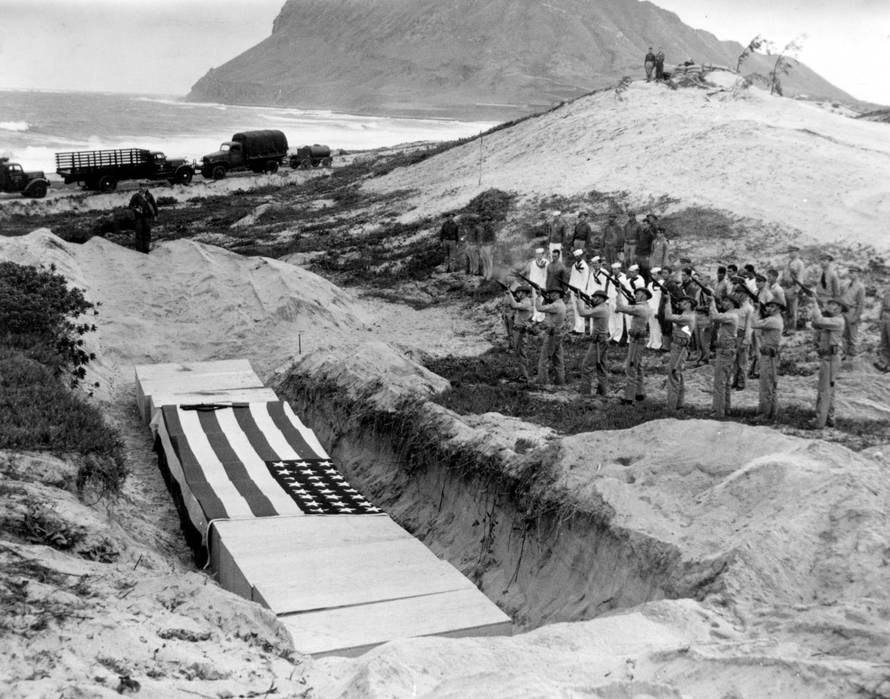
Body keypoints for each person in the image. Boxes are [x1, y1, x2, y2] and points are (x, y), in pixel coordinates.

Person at [807, 296, 846, 428]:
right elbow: (815, 323)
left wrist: (814, 303)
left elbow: (818, 320)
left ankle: (819, 421)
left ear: (839, 308)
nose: (829, 306)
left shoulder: (837, 321)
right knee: (830, 389)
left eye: (832, 304)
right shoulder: (833, 320)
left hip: (830, 359)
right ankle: (830, 417)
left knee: (824, 389)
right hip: (830, 358)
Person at [615, 287, 655, 403]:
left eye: (638, 294)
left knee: (631, 367)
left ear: (644, 296)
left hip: (636, 340)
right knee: (638, 366)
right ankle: (639, 392)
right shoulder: (645, 307)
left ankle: (629, 397)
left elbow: (620, 308)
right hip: (639, 339)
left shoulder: (640, 308)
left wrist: (619, 294)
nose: (636, 296)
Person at [750, 300, 785, 423]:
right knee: (771, 385)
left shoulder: (772, 320)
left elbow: (753, 324)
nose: (769, 308)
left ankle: (764, 414)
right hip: (771, 354)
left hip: (768, 355)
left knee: (766, 385)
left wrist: (757, 310)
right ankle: (772, 412)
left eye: (772, 306)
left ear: (779, 308)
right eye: (768, 306)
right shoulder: (776, 319)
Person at [709, 294, 740, 417]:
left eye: (726, 301)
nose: (724, 303)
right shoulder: (732, 315)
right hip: (727, 348)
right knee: (725, 382)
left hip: (724, 349)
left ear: (732, 303)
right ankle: (725, 409)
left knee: (719, 382)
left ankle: (718, 411)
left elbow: (714, 317)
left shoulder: (731, 315)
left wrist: (712, 303)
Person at [663, 294, 696, 412]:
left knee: (673, 375)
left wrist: (668, 302)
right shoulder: (687, 315)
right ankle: (679, 404)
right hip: (680, 347)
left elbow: (668, 316)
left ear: (689, 304)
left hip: (679, 348)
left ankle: (671, 407)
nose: (680, 303)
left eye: (683, 302)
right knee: (678, 375)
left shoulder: (687, 317)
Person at [577, 290, 611, 396]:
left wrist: (579, 301)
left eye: (595, 297)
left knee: (586, 366)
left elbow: (582, 313)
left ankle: (585, 394)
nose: (593, 299)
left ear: (601, 299)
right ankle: (603, 392)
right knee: (601, 367)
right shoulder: (604, 307)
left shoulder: (600, 309)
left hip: (598, 341)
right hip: (603, 340)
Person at [535, 287, 567, 387]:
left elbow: (539, 308)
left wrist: (538, 297)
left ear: (559, 294)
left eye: (555, 293)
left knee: (544, 360)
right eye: (551, 293)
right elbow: (547, 306)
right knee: (558, 361)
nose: (552, 295)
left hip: (552, 334)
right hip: (558, 334)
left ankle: (542, 383)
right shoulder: (561, 304)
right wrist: (546, 298)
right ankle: (560, 382)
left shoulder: (555, 305)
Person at [504, 285, 535, 381]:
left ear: (524, 293)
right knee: (519, 353)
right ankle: (522, 374)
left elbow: (514, 305)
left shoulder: (526, 302)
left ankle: (524, 377)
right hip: (518, 329)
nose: (517, 294)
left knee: (520, 353)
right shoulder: (524, 301)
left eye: (519, 292)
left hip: (520, 330)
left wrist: (509, 295)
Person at [730, 281, 754, 391]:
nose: (738, 295)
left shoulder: (749, 308)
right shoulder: (736, 307)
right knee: (734, 361)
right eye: (737, 293)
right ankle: (735, 380)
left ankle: (741, 382)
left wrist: (746, 339)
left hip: (742, 335)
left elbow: (749, 325)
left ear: (746, 294)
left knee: (742, 361)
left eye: (740, 293)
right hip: (734, 335)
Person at [840, 265, 866, 359]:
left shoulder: (860, 287)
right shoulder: (845, 284)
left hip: (852, 311)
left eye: (853, 272)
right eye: (849, 272)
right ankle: (844, 353)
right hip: (843, 310)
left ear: (858, 274)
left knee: (852, 335)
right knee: (843, 334)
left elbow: (861, 304)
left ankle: (853, 356)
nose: (850, 274)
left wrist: (856, 316)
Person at [780, 246, 806, 332]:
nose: (790, 254)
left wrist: (797, 289)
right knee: (786, 309)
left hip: (793, 287)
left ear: (797, 252)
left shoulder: (799, 263)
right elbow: (784, 275)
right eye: (789, 252)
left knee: (792, 310)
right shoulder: (788, 262)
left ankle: (791, 329)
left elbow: (800, 278)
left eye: (792, 252)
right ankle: (786, 327)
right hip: (786, 287)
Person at [568, 249, 590, 333]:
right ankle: (576, 327)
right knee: (575, 308)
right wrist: (570, 288)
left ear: (581, 256)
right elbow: (572, 277)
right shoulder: (574, 266)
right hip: (573, 289)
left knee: (580, 309)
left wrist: (581, 291)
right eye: (576, 256)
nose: (577, 257)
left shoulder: (585, 266)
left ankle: (581, 329)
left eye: (578, 256)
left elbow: (585, 280)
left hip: (580, 291)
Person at [527, 247, 549, 323]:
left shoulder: (546, 262)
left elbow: (546, 274)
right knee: (535, 299)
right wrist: (530, 283)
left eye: (540, 254)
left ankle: (541, 316)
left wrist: (545, 284)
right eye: (537, 254)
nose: (539, 256)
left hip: (542, 284)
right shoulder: (533, 263)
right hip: (534, 283)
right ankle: (535, 315)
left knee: (542, 300)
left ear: (543, 254)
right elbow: (531, 273)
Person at [876, 286, 890, 373]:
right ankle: (885, 363)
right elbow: (882, 306)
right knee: (884, 341)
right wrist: (880, 318)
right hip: (885, 317)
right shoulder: (887, 293)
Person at [479, 215, 497, 280]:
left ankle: (489, 275)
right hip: (483, 246)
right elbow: (481, 238)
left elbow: (494, 239)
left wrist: (493, 248)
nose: (485, 222)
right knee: (484, 261)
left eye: (486, 221)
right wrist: (480, 247)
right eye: (484, 221)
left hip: (489, 246)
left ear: (488, 222)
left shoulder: (491, 229)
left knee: (489, 262)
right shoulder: (483, 229)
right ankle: (485, 274)